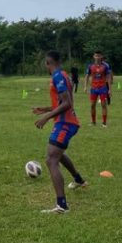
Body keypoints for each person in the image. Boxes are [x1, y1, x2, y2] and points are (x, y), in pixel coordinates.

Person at [32, 50, 87, 214]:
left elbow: (67, 103)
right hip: (67, 121)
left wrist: (47, 117)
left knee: (51, 159)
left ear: (48, 62)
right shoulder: (63, 74)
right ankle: (78, 180)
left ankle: (62, 206)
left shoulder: (57, 76)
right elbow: (61, 101)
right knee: (58, 153)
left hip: (65, 123)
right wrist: (45, 109)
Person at [85, 50, 112, 127]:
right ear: (94, 56)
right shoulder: (90, 66)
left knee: (104, 105)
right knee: (92, 105)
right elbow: (87, 76)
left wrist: (109, 89)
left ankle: (104, 123)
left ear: (101, 57)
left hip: (102, 88)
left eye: (99, 56)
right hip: (93, 88)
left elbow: (108, 77)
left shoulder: (105, 66)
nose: (97, 57)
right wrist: (85, 86)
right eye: (96, 56)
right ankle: (93, 122)